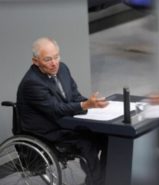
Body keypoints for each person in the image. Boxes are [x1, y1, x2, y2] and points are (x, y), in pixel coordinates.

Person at [17, 37, 109, 185]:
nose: (54, 63)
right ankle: (97, 182)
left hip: (65, 121)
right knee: (87, 142)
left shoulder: (63, 68)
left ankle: (104, 178)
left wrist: (93, 104)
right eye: (47, 59)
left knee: (108, 136)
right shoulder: (32, 83)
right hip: (48, 129)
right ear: (35, 61)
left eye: (56, 57)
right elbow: (56, 109)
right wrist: (85, 105)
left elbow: (74, 96)